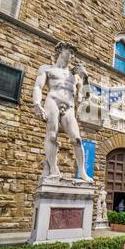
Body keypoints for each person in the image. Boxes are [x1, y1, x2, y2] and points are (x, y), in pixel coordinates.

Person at [32, 42, 93, 183]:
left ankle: (82, 172)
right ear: (60, 50)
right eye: (69, 51)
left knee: (77, 140)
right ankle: (53, 169)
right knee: (52, 135)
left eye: (73, 52)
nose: (72, 55)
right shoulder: (47, 69)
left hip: (70, 107)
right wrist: (37, 104)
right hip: (53, 100)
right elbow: (38, 87)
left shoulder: (75, 75)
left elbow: (87, 95)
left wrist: (86, 78)